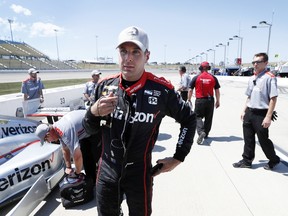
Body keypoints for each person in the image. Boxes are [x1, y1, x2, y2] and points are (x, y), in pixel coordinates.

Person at [82, 26, 196, 216]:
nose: (128, 58)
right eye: (124, 51)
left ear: (147, 56)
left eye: (136, 52)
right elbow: (88, 130)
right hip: (107, 172)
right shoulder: (104, 85)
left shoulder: (162, 90)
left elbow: (189, 119)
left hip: (140, 173)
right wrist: (93, 113)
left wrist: (178, 157)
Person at [233, 52, 280, 170]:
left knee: (263, 140)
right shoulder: (252, 78)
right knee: (248, 138)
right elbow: (248, 96)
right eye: (253, 62)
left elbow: (273, 98)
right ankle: (247, 160)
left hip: (261, 114)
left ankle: (274, 159)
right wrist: (244, 110)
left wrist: (268, 116)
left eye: (258, 62)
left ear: (265, 63)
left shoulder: (270, 78)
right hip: (250, 112)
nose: (255, 64)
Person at [35, 110, 101, 183]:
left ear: (48, 134)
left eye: (46, 140)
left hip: (96, 124)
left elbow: (77, 156)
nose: (49, 142)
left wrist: (76, 173)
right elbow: (65, 149)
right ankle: (92, 181)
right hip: (86, 130)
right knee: (86, 157)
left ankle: (104, 184)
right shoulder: (57, 128)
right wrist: (68, 167)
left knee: (99, 158)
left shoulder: (64, 132)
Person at [187, 61, 220, 144]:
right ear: (208, 68)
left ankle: (201, 132)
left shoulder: (196, 77)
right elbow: (217, 91)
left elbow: (190, 90)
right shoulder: (213, 78)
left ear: (200, 68)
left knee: (197, 116)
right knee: (209, 118)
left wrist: (189, 99)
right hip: (210, 100)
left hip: (200, 100)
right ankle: (206, 133)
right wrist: (218, 101)